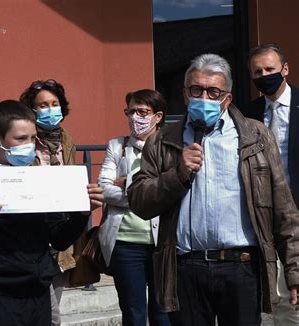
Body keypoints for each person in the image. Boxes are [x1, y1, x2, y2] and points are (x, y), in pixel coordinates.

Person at [127, 53, 299, 326]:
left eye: (213, 91)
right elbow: (139, 202)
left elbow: (284, 209)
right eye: (196, 90)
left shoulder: (256, 136)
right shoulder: (162, 141)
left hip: (241, 267)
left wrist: (294, 272)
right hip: (185, 268)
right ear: (185, 94)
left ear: (226, 98)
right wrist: (177, 175)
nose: (203, 97)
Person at [0, 100, 103, 326]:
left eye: (32, 138)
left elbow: (59, 238)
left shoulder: (41, 180)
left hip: (38, 295)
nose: (28, 145)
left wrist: (82, 214)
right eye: (20, 139)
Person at [97, 89, 170, 326]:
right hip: (125, 243)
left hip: (164, 243)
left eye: (143, 112)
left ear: (158, 116)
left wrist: (126, 181)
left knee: (163, 312)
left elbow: (172, 189)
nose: (135, 117)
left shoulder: (171, 145)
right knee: (133, 313)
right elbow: (104, 190)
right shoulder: (117, 146)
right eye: (131, 111)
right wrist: (145, 190)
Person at [244, 43, 299, 326]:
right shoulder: (246, 114)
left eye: (270, 69)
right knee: (282, 300)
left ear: (285, 70)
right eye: (257, 71)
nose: (264, 75)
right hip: (266, 216)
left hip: (297, 211)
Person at [20, 79, 76, 326]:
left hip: (61, 235)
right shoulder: (24, 142)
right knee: (50, 316)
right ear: (31, 109)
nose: (50, 109)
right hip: (33, 233)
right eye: (42, 105)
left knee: (53, 302)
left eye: (54, 104)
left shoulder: (67, 141)